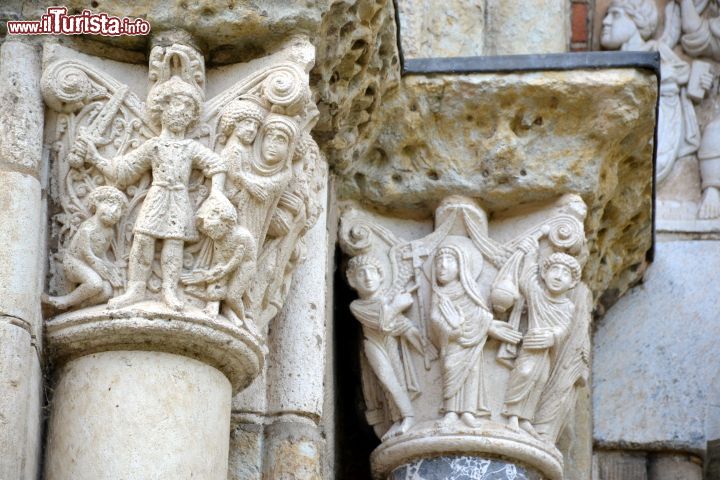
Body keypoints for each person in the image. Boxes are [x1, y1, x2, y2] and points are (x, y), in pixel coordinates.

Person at [81, 75, 227, 311]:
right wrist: (95, 158)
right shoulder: (154, 146)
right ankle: (136, 289)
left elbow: (217, 165)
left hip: (178, 198)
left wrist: (217, 194)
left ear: (192, 118)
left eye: (188, 111)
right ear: (162, 110)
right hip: (157, 195)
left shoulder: (191, 148)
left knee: (174, 242)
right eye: (176, 107)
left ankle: (170, 289)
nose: (182, 114)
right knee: (143, 238)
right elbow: (124, 170)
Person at [601, 0, 703, 186]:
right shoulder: (604, 68)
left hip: (658, 146)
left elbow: (682, 73)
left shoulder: (654, 53)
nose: (606, 21)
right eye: (607, 14)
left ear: (637, 21)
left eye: (615, 14)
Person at [430, 237, 522, 429]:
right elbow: (435, 318)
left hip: (473, 342)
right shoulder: (439, 293)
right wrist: (451, 329)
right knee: (449, 367)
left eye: (449, 261)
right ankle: (450, 412)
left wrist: (490, 326)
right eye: (439, 261)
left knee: (472, 373)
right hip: (453, 341)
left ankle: (468, 412)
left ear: (461, 265)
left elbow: (480, 313)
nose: (442, 266)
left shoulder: (469, 290)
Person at [503, 237, 581, 439]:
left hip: (546, 349)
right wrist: (531, 255)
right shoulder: (537, 295)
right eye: (555, 270)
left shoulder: (567, 307)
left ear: (572, 283)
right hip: (530, 345)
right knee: (525, 373)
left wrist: (553, 337)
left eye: (565, 273)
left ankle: (526, 419)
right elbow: (526, 280)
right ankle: (511, 416)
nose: (558, 276)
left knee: (539, 380)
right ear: (544, 274)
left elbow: (564, 328)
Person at [347, 254, 426, 440]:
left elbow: (402, 325)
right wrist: (398, 305)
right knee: (385, 378)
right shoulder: (356, 305)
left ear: (381, 276)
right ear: (352, 280)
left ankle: (404, 418)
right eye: (361, 273)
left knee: (398, 378)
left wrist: (425, 348)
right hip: (374, 343)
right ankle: (403, 417)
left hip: (391, 342)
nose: (367, 277)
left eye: (372, 271)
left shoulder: (386, 299)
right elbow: (382, 323)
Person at [181, 191, 256, 328]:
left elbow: (236, 260)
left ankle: (244, 320)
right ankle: (226, 310)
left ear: (226, 222)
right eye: (208, 231)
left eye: (212, 229)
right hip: (228, 266)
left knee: (232, 296)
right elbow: (220, 263)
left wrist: (217, 274)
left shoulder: (241, 236)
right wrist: (208, 277)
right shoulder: (218, 240)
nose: (210, 233)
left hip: (244, 266)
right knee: (214, 290)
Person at [43, 186, 127, 310]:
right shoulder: (87, 228)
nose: (114, 211)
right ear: (97, 203)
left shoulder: (109, 232)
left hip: (91, 264)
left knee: (108, 291)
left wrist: (112, 267)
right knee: (95, 283)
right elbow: (87, 255)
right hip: (75, 263)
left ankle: (79, 306)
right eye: (110, 204)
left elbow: (102, 255)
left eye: (119, 209)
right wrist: (107, 273)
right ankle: (63, 301)